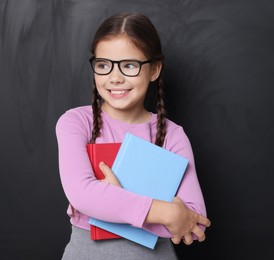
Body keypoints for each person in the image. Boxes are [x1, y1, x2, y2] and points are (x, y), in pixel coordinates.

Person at [56, 12, 211, 259]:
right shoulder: (76, 122)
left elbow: (193, 223)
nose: (115, 77)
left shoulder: (172, 135)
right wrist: (166, 213)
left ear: (154, 69)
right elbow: (82, 194)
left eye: (129, 65)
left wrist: (112, 200)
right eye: (104, 65)